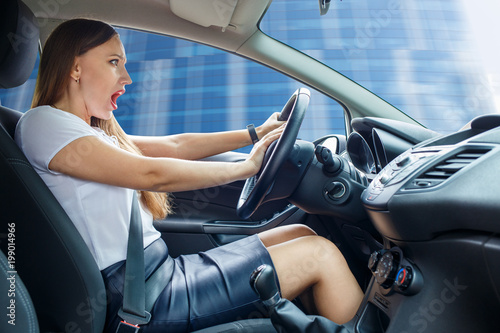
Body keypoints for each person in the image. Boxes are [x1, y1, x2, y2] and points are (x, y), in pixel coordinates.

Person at [15, 18, 363, 332]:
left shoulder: (90, 131)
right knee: (320, 254)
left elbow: (175, 145)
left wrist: (254, 135)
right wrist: (246, 166)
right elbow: (150, 173)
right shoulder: (44, 123)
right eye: (113, 62)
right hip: (140, 297)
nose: (127, 78)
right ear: (76, 68)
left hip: (154, 275)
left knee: (300, 232)